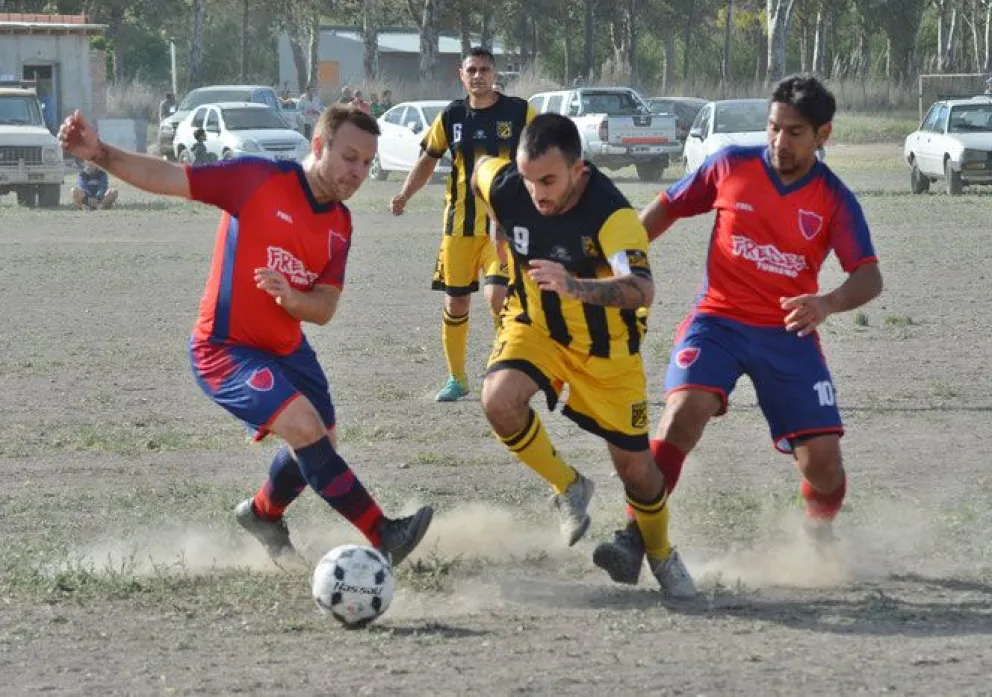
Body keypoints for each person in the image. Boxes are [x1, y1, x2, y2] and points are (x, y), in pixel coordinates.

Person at [57, 105, 434, 568]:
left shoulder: (340, 224)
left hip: (288, 349)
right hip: (225, 349)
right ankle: (384, 533)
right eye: (349, 157)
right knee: (305, 429)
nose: (358, 172)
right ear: (319, 146)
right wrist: (100, 154)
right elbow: (170, 177)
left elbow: (324, 308)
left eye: (366, 162)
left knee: (322, 442)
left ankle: (262, 514)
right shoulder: (257, 179)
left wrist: (292, 298)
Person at [592, 74, 883, 586]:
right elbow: (667, 207)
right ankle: (633, 536)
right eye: (773, 127)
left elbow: (869, 276)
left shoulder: (834, 198)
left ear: (823, 134)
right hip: (717, 322)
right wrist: (619, 265)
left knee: (822, 466)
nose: (779, 141)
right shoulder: (729, 165)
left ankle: (818, 533)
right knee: (682, 414)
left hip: (787, 334)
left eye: (794, 132)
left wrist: (827, 303)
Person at [471, 113, 696, 598]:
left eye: (549, 181)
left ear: (579, 169)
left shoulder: (612, 216)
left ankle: (660, 554)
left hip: (606, 350)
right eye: (528, 179)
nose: (537, 193)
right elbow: (478, 173)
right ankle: (568, 485)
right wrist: (498, 237)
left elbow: (641, 289)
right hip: (536, 326)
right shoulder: (508, 185)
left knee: (636, 471)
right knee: (497, 400)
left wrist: (574, 286)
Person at [390, 46, 536, 402]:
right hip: (458, 228)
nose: (478, 76)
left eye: (484, 69)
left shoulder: (520, 112)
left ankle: (506, 371)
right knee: (456, 303)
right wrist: (404, 195)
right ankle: (457, 378)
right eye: (472, 70)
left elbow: (546, 149)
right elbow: (428, 159)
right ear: (461, 74)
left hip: (503, 226)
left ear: (495, 74)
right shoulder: (451, 115)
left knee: (498, 297)